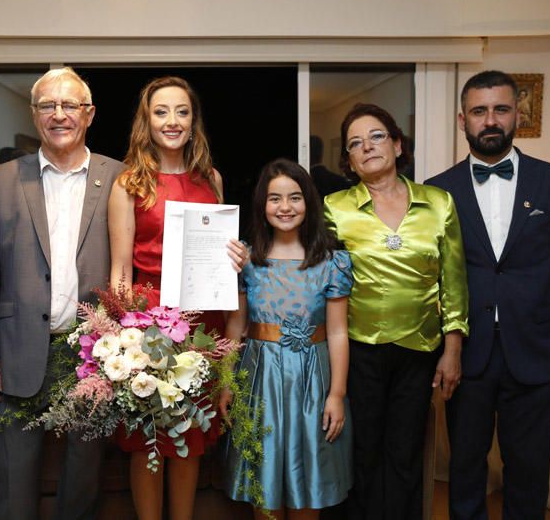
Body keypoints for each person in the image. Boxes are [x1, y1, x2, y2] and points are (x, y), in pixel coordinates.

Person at [426, 70, 550, 520]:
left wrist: (542, 309)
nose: (491, 120)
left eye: (500, 109)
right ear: (462, 119)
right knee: (465, 467)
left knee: (529, 468)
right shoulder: (436, 191)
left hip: (536, 349)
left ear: (516, 114)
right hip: (467, 350)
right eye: (480, 111)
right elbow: (434, 272)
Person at [0, 67, 124, 520]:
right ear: (35, 114)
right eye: (47, 105)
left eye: (70, 105)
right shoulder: (1, 179)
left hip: (92, 354)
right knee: (13, 481)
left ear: (89, 114)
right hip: (18, 350)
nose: (59, 115)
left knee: (83, 477)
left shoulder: (119, 178)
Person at [107, 75, 245, 520]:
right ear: (146, 121)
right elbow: (121, 270)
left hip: (203, 325)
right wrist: (126, 339)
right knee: (148, 439)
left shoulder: (212, 179)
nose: (172, 121)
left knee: (189, 436)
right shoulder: (129, 184)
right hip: (148, 328)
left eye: (181, 112)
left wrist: (236, 258)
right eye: (161, 111)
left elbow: (219, 254)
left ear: (193, 121)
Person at [324, 103, 469, 520]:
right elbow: (315, 273)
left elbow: (454, 281)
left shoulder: (438, 203)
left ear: (397, 144)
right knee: (362, 453)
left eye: (376, 136)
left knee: (406, 454)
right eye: (355, 143)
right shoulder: (335, 208)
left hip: (419, 349)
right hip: (357, 349)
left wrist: (453, 349)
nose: (367, 146)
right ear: (348, 160)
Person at [220, 159, 354, 519]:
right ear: (262, 205)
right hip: (260, 381)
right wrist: (227, 383)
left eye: (294, 197)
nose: (285, 207)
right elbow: (236, 325)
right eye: (275, 198)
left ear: (309, 203)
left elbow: (339, 331)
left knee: (308, 484)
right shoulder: (246, 259)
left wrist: (337, 394)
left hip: (313, 383)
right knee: (263, 487)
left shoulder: (331, 261)